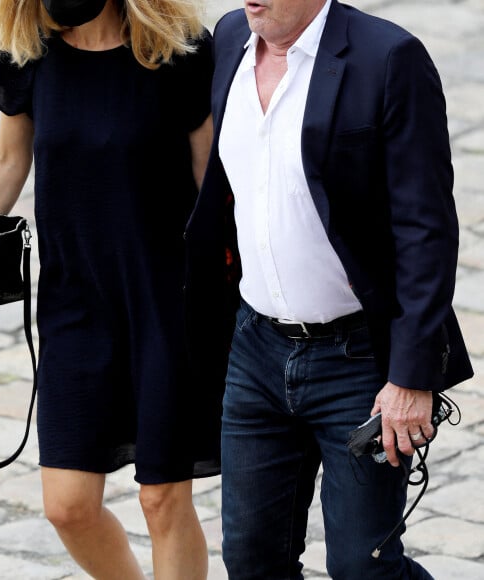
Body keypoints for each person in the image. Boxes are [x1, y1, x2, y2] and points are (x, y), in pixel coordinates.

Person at [184, 0, 474, 578]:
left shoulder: (388, 59)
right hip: (256, 352)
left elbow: (427, 229)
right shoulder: (230, 37)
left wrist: (411, 377)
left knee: (363, 568)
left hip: (359, 362)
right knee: (251, 561)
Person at [0, 0, 218, 578]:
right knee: (68, 507)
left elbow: (212, 179)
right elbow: (7, 157)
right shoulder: (28, 53)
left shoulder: (179, 52)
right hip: (75, 304)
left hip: (166, 306)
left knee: (162, 498)